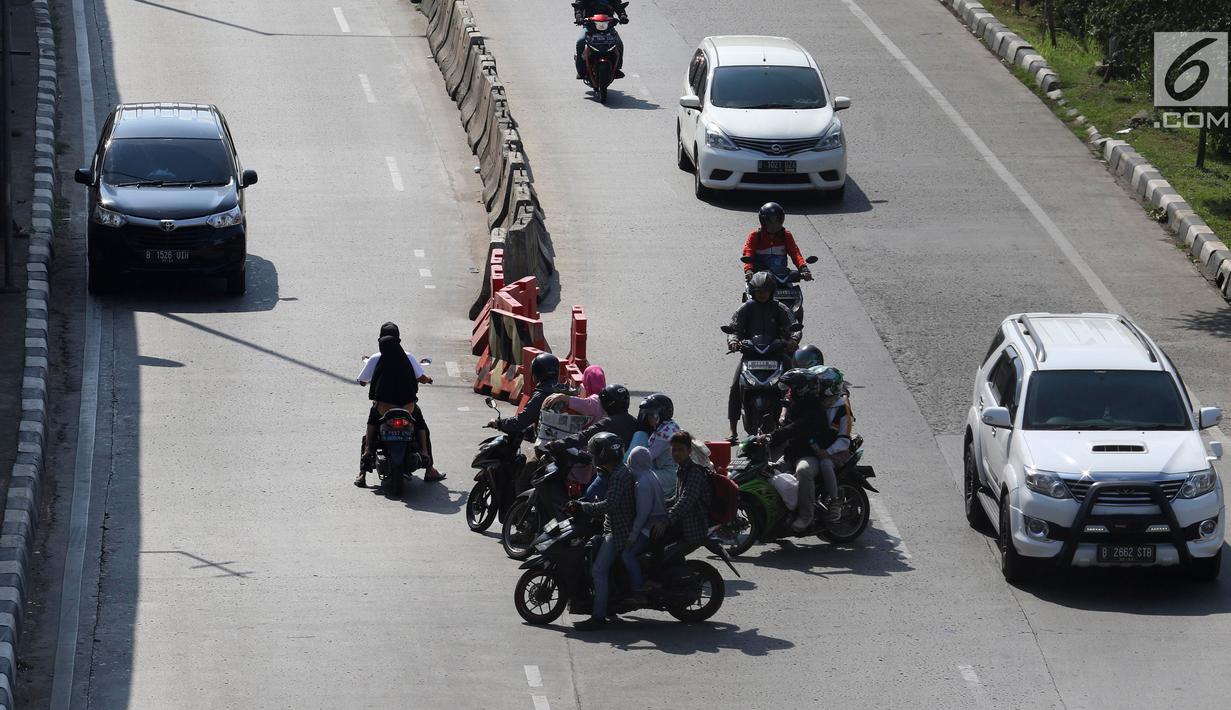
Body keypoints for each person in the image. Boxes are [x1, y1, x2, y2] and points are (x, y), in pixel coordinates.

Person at [356, 323, 442, 486]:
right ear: (399, 340)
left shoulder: (375, 358)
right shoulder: (407, 356)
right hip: (407, 408)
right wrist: (428, 379)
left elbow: (361, 380)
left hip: (383, 409)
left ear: (380, 340)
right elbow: (421, 377)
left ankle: (363, 469)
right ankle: (428, 464)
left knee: (372, 421)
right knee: (421, 424)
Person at [768, 367, 848, 531]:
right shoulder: (797, 404)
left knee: (803, 471)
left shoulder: (817, 409)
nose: (790, 392)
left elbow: (796, 428)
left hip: (812, 454)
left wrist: (771, 436)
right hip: (793, 452)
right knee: (769, 471)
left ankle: (806, 516)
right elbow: (786, 424)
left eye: (794, 388)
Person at [726, 271, 801, 439]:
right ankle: (733, 428)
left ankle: (796, 422)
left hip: (777, 354)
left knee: (795, 386)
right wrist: (733, 341)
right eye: (758, 291)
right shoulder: (745, 309)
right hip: (751, 355)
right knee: (735, 388)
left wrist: (793, 340)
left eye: (765, 291)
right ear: (752, 292)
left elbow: (793, 326)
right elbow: (733, 329)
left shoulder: (780, 308)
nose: (762, 294)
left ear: (772, 291)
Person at [572, 432, 635, 630]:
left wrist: (585, 507)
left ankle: (598, 616)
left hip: (618, 531)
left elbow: (611, 505)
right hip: (613, 525)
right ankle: (609, 603)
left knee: (598, 570)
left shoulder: (617, 475)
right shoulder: (618, 471)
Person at [622, 446, 667, 595]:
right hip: (657, 523)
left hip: (649, 529)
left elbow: (642, 513)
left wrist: (632, 536)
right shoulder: (652, 475)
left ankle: (638, 587)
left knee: (627, 555)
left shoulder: (641, 483)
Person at [487, 352, 563, 438]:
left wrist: (498, 423)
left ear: (537, 372)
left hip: (550, 443)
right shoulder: (565, 391)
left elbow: (521, 421)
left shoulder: (541, 394)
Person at [664, 430, 712, 549]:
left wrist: (666, 520)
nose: (676, 453)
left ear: (689, 451)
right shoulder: (681, 469)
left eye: (681, 450)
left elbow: (685, 501)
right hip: (684, 518)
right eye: (674, 450)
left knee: (655, 538)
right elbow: (677, 498)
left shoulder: (694, 472)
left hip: (692, 524)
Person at [741, 202, 813, 281]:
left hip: (782, 275)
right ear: (763, 221)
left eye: (777, 221)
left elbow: (795, 253)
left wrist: (803, 268)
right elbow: (748, 252)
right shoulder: (755, 236)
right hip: (761, 277)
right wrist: (749, 270)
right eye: (770, 222)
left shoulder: (786, 235)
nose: (774, 225)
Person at [628, 394, 681, 492]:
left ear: (661, 414)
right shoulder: (669, 426)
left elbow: (647, 456)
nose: (648, 418)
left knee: (637, 480)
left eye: (651, 415)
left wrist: (627, 467)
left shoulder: (663, 435)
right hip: (668, 469)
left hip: (670, 474)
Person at [572, 0, 628, 80]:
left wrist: (623, 16)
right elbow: (578, 6)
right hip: (590, 26)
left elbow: (618, 6)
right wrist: (579, 16)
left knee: (619, 43)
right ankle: (581, 70)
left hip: (608, 26)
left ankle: (617, 69)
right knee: (580, 42)